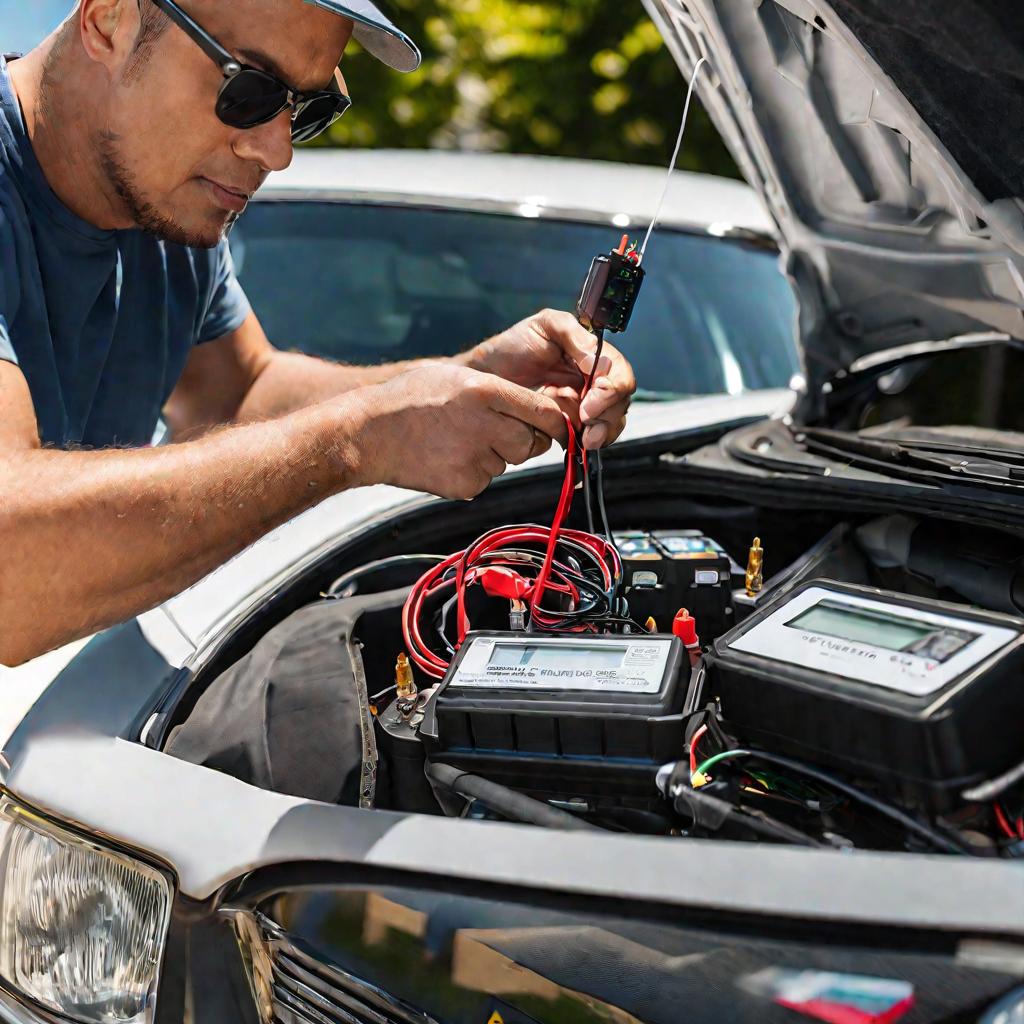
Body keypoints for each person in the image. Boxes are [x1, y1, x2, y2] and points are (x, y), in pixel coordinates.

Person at [0, 0, 636, 666]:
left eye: (307, 109)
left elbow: (241, 391)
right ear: (109, 20)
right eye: (249, 90)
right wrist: (351, 442)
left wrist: (464, 380)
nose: (276, 152)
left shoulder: (164, 203)